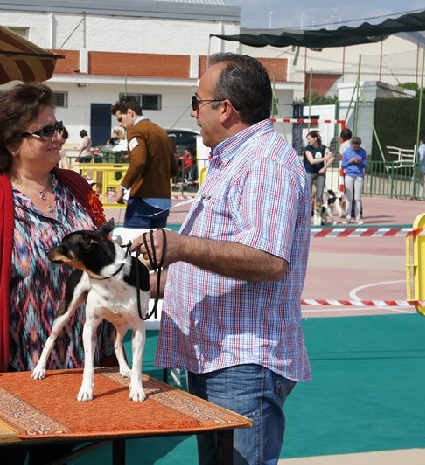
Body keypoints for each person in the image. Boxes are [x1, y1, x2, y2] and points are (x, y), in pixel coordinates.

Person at [130, 53, 312, 465]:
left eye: (197, 102)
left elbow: (268, 260)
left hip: (242, 362)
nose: (193, 113)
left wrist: (178, 246)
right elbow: (221, 260)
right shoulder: (236, 159)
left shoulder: (264, 163)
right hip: (221, 356)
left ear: (225, 108)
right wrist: (144, 284)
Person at [0, 82, 118, 464]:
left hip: (81, 367)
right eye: (46, 131)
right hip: (17, 372)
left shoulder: (76, 187)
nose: (58, 137)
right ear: (12, 143)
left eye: (58, 127)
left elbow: (104, 252)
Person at [110, 96, 179, 228]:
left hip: (142, 200)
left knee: (134, 240)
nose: (120, 124)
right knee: (157, 241)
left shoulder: (135, 130)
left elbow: (138, 161)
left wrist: (123, 187)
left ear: (130, 113)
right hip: (164, 202)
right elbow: (174, 169)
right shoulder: (162, 132)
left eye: (120, 119)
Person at [340, 136, 368, 224]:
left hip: (359, 175)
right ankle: (348, 217)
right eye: (354, 146)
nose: (356, 148)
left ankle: (358, 218)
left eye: (358, 146)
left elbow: (365, 164)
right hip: (349, 175)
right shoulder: (347, 151)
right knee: (349, 197)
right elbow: (343, 165)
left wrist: (361, 162)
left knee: (357, 198)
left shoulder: (363, 152)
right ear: (352, 145)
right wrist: (350, 162)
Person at [304, 130, 334, 202]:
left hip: (320, 173)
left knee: (319, 196)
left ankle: (318, 208)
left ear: (315, 138)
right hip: (309, 172)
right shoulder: (307, 148)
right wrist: (325, 158)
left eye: (309, 139)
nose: (308, 141)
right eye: (307, 139)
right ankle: (308, 208)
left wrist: (325, 167)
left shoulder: (323, 147)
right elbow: (312, 161)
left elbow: (331, 158)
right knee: (308, 195)